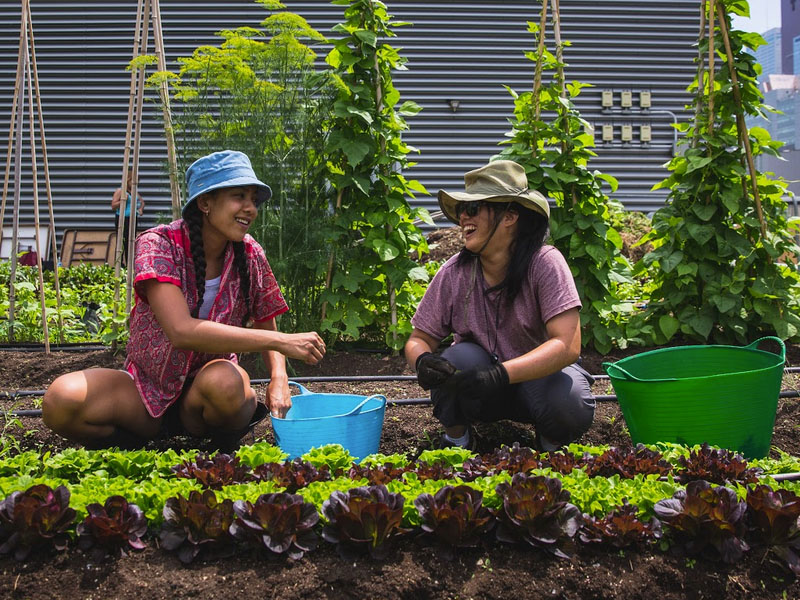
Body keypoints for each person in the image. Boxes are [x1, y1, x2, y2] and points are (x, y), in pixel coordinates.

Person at [43, 150, 327, 450]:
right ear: (205, 203)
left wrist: (279, 377)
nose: (250, 208)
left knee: (227, 383)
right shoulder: (159, 244)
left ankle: (213, 444)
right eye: (239, 196)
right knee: (61, 399)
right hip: (146, 389)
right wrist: (282, 341)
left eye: (253, 200)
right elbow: (181, 331)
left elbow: (265, 315)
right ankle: (137, 444)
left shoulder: (249, 252)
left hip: (208, 393)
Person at [404, 160, 595, 452]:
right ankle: (458, 440)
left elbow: (568, 345)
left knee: (569, 401)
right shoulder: (455, 272)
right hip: (479, 389)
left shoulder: (545, 263)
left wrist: (500, 374)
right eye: (461, 211)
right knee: (456, 360)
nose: (462, 218)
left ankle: (551, 443)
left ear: (510, 216)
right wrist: (422, 361)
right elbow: (419, 338)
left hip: (538, 385)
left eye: (473, 208)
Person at [111, 167, 145, 267]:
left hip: (132, 219)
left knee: (131, 242)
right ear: (129, 180)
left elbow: (142, 201)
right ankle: (119, 265)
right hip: (123, 219)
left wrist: (140, 209)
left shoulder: (133, 191)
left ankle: (130, 265)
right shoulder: (120, 191)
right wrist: (122, 200)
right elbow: (113, 205)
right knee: (122, 241)